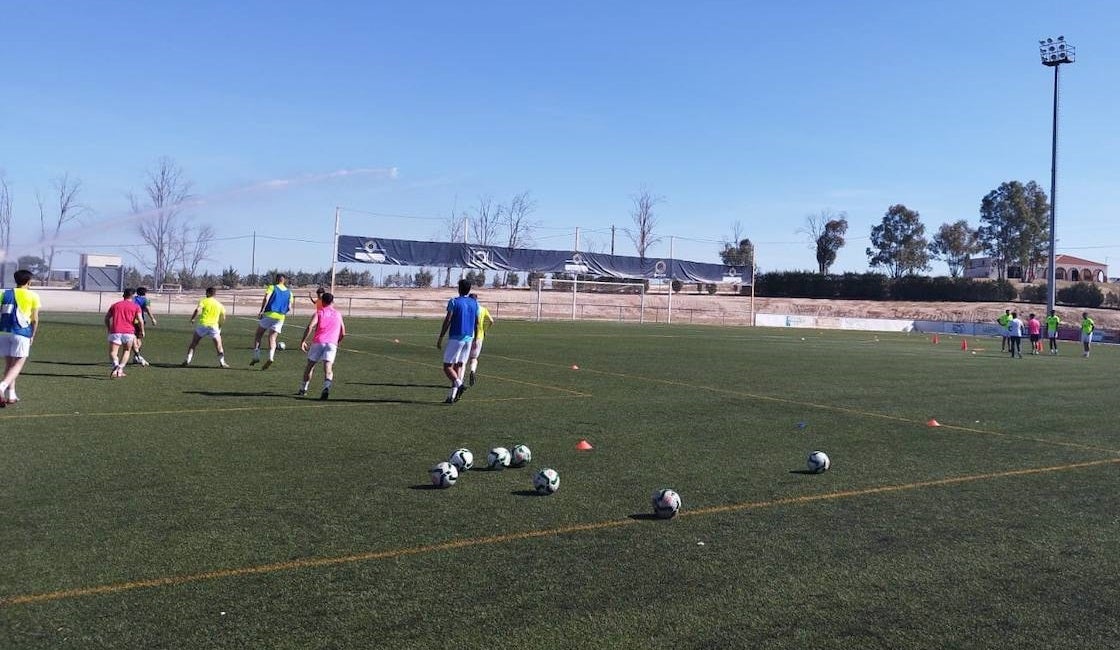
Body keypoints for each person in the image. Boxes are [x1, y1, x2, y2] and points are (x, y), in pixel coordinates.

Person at [0, 269, 42, 407]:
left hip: (3, 332)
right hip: (21, 333)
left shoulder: (3, 292)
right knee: (17, 365)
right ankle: (2, 387)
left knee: (9, 365)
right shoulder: (33, 296)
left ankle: (11, 395)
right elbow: (35, 319)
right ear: (29, 281)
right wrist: (33, 335)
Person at [436, 279, 479, 404]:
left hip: (456, 337)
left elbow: (447, 320)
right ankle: (452, 396)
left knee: (447, 366)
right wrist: (475, 338)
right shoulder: (474, 303)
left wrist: (441, 337)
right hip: (469, 338)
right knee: (459, 365)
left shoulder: (454, 301)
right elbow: (476, 322)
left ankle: (459, 385)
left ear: (459, 288)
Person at [298, 292, 345, 400]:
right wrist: (337, 342)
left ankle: (303, 389)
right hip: (332, 343)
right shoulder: (338, 314)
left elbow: (310, 327)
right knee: (328, 368)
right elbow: (343, 332)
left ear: (322, 301)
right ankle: (326, 388)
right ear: (332, 302)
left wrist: (303, 341)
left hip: (318, 342)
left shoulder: (319, 312)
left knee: (310, 366)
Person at [251, 274, 292, 369]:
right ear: (284, 281)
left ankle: (256, 356)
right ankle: (271, 357)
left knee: (258, 334)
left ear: (276, 280)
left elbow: (266, 298)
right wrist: (282, 312)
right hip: (281, 317)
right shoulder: (289, 292)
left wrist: (262, 310)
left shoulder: (272, 287)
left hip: (269, 314)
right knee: (272, 338)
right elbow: (289, 307)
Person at [183, 287, 230, 368]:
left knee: (194, 343)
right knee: (219, 345)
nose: (205, 294)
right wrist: (220, 326)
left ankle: (188, 360)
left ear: (208, 293)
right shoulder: (219, 304)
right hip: (214, 326)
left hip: (203, 325)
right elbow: (224, 317)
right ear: (215, 294)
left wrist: (193, 318)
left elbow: (197, 310)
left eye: (206, 292)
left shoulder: (204, 300)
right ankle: (222, 362)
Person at [105, 288, 144, 378]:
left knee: (113, 352)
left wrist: (109, 328)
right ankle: (120, 368)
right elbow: (140, 320)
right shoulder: (136, 306)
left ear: (123, 295)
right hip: (129, 332)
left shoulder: (115, 305)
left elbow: (107, 318)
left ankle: (115, 365)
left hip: (115, 331)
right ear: (133, 296)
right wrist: (142, 331)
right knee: (127, 350)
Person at [467, 292, 494, 386]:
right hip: (479, 336)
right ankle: (472, 371)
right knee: (474, 358)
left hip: (467, 336)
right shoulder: (483, 309)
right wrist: (484, 329)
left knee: (462, 359)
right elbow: (491, 321)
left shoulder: (468, 308)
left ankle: (458, 381)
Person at [130, 286, 157, 366]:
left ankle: (136, 356)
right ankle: (137, 356)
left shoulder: (133, 299)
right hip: (138, 321)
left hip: (129, 320)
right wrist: (153, 319)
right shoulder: (146, 300)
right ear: (145, 293)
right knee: (138, 339)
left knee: (134, 338)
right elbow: (148, 309)